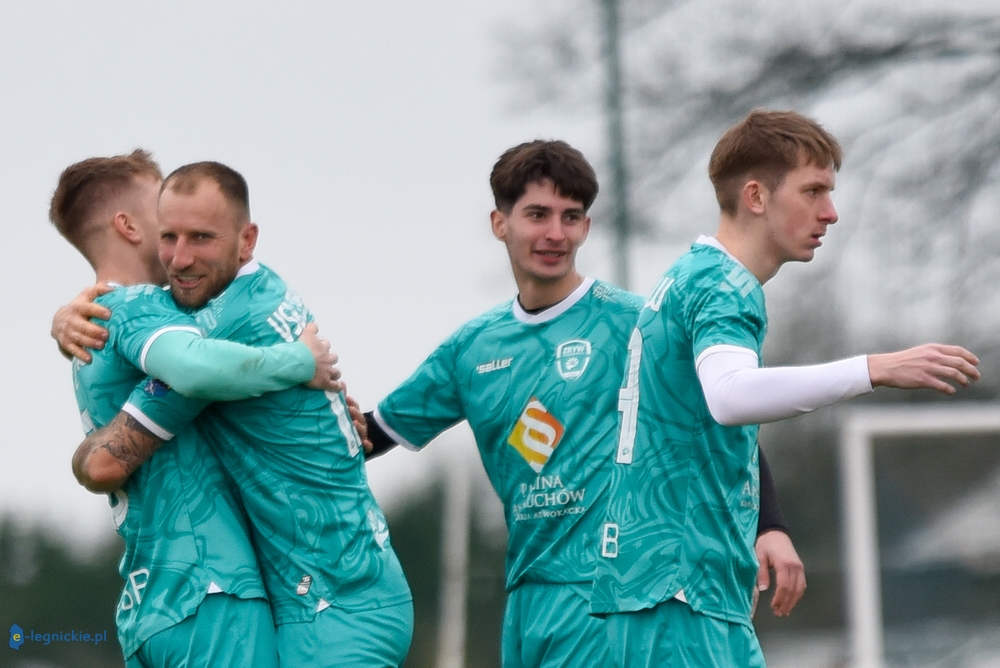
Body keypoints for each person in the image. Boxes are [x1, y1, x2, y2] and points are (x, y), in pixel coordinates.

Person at [363, 140, 804, 668]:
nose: (556, 233)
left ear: (586, 227)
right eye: (538, 215)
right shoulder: (472, 349)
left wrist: (770, 526)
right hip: (528, 597)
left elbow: (720, 416)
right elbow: (373, 433)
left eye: (570, 217)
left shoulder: (636, 324)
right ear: (499, 223)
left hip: (612, 594)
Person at [589, 109, 981, 667]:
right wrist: (872, 368)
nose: (831, 212)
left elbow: (705, 421)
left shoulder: (692, 276)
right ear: (755, 196)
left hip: (676, 590)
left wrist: (764, 523)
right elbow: (731, 397)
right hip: (679, 592)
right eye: (813, 191)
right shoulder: (723, 285)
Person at [57, 161, 413, 667]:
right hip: (227, 593)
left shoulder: (209, 323)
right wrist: (299, 362)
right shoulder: (159, 318)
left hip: (327, 598)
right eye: (168, 230)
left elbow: (110, 456)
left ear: (245, 241)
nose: (180, 254)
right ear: (132, 227)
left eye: (200, 235)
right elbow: (105, 456)